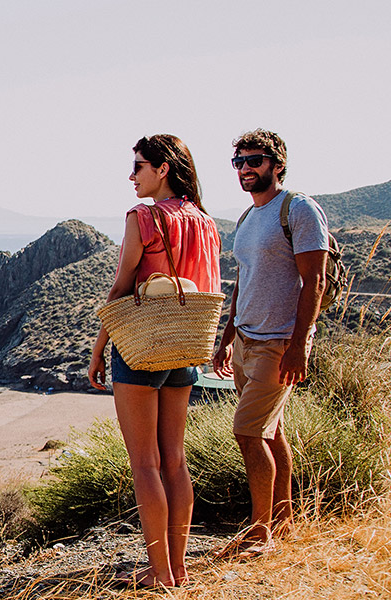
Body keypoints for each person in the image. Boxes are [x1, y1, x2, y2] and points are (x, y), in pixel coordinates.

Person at [88, 134, 221, 587]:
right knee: (175, 461)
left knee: (144, 464)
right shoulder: (203, 219)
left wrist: (99, 345)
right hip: (184, 343)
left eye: (139, 166)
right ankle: (179, 567)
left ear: (163, 169)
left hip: (143, 346)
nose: (132, 175)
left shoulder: (142, 216)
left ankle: (160, 573)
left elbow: (123, 284)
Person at [210, 129, 329, 559]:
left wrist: (300, 346)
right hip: (245, 339)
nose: (245, 169)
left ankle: (260, 534)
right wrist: (226, 337)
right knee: (270, 431)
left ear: (277, 164)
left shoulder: (297, 209)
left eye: (254, 160)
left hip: (278, 342)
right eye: (239, 162)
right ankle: (283, 520)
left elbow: (314, 280)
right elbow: (245, 278)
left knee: (247, 432)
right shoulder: (247, 217)